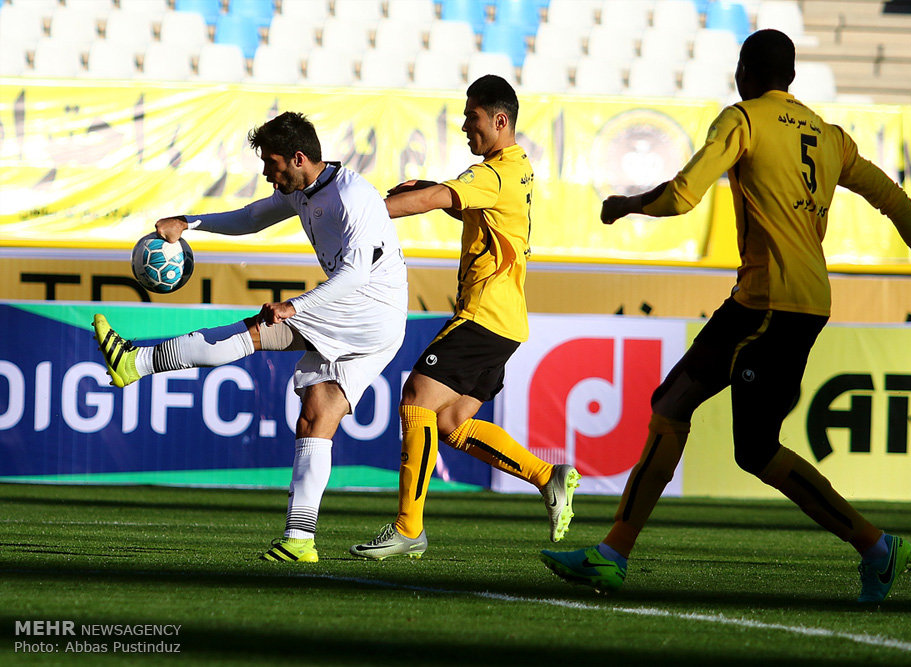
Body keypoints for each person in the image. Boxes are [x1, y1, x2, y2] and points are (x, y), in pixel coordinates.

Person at [540, 30, 911, 602]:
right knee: (670, 406)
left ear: (746, 69)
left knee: (754, 450)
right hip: (773, 300)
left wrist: (626, 206)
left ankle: (876, 545)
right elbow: (893, 198)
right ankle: (611, 554)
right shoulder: (829, 137)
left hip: (775, 305)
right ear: (791, 76)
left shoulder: (743, 120)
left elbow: (681, 195)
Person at [93, 111, 409, 563]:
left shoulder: (351, 195)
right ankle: (300, 541)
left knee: (256, 332)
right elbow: (250, 218)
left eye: (272, 163)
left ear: (298, 158)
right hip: (381, 323)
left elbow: (356, 273)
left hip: (365, 306)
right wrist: (188, 222)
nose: (266, 173)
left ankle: (136, 363)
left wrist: (294, 307)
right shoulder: (306, 188)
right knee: (316, 420)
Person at [350, 75, 580, 560]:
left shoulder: (492, 174)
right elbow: (474, 211)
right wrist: (434, 187)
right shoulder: (516, 169)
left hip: (484, 314)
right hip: (507, 322)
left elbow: (440, 199)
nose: (463, 126)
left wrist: (369, 212)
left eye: (471, 117)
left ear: (500, 120)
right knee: (452, 422)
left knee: (416, 397)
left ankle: (408, 528)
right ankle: (546, 476)